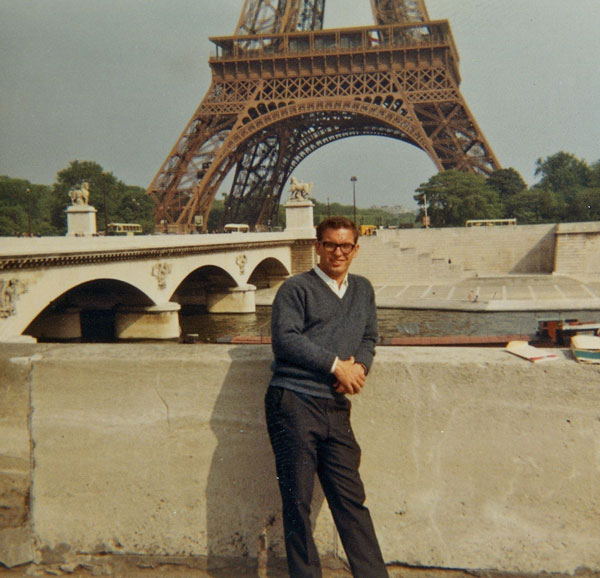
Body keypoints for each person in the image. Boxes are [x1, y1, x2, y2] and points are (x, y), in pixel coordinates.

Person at [265, 216, 388, 578]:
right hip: (294, 402)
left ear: (356, 250)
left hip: (335, 407)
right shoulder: (295, 289)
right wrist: (337, 367)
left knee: (352, 501)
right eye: (330, 244)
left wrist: (360, 367)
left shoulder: (362, 289)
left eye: (345, 246)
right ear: (317, 247)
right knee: (297, 503)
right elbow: (285, 340)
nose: (338, 252)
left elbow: (369, 337)